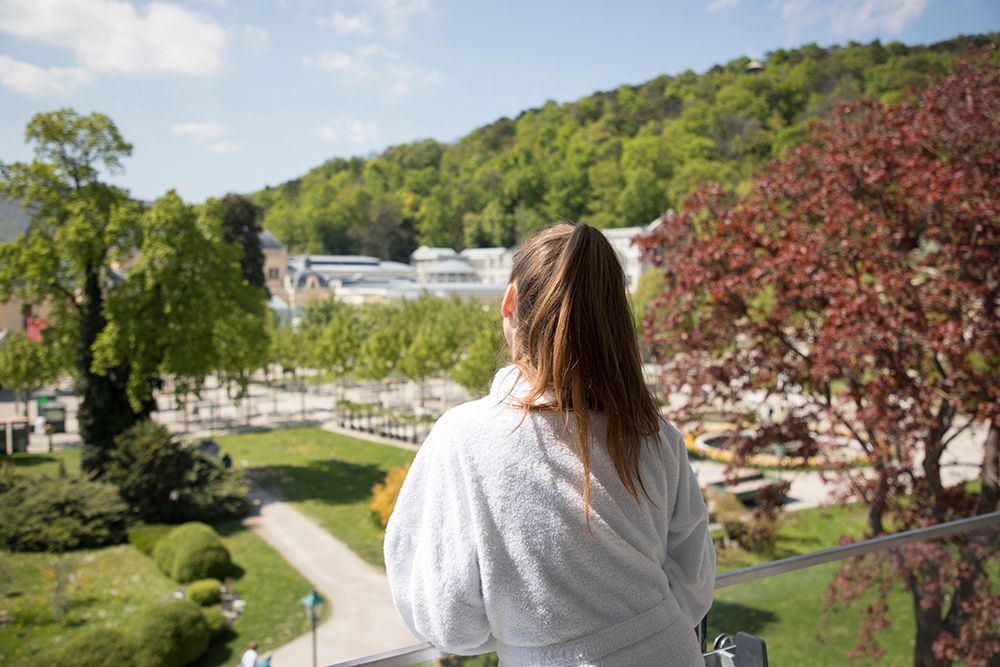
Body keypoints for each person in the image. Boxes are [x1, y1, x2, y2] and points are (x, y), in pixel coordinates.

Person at [385, 223, 716, 666]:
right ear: (615, 320)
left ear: (509, 301)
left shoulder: (464, 438)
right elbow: (694, 585)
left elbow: (445, 619)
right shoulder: (652, 433)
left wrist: (526, 631)